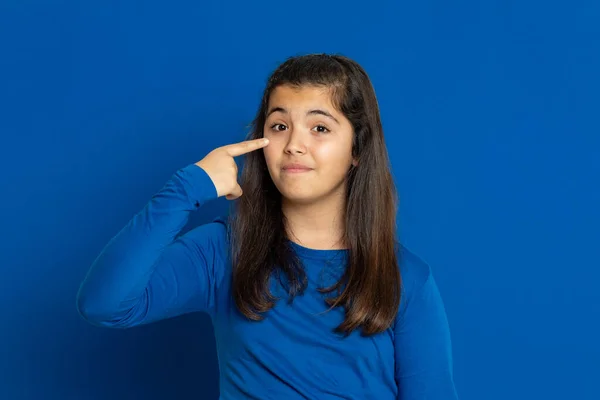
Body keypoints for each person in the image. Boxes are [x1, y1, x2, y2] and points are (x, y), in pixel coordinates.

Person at [76, 53, 459, 399]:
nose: (294, 144)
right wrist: (185, 188)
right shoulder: (224, 250)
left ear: (357, 150)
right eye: (279, 126)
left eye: (320, 128)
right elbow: (104, 304)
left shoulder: (405, 278)